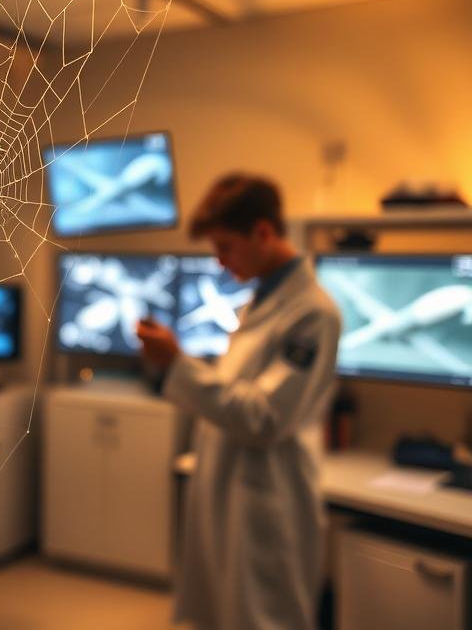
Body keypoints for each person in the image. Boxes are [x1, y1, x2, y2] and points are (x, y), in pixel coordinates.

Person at [136, 173, 341, 630]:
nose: (220, 261)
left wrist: (177, 365)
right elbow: (236, 396)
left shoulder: (314, 313)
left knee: (263, 617)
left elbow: (264, 416)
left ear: (263, 233)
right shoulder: (257, 304)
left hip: (267, 505)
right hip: (230, 493)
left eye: (225, 247)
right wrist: (174, 365)